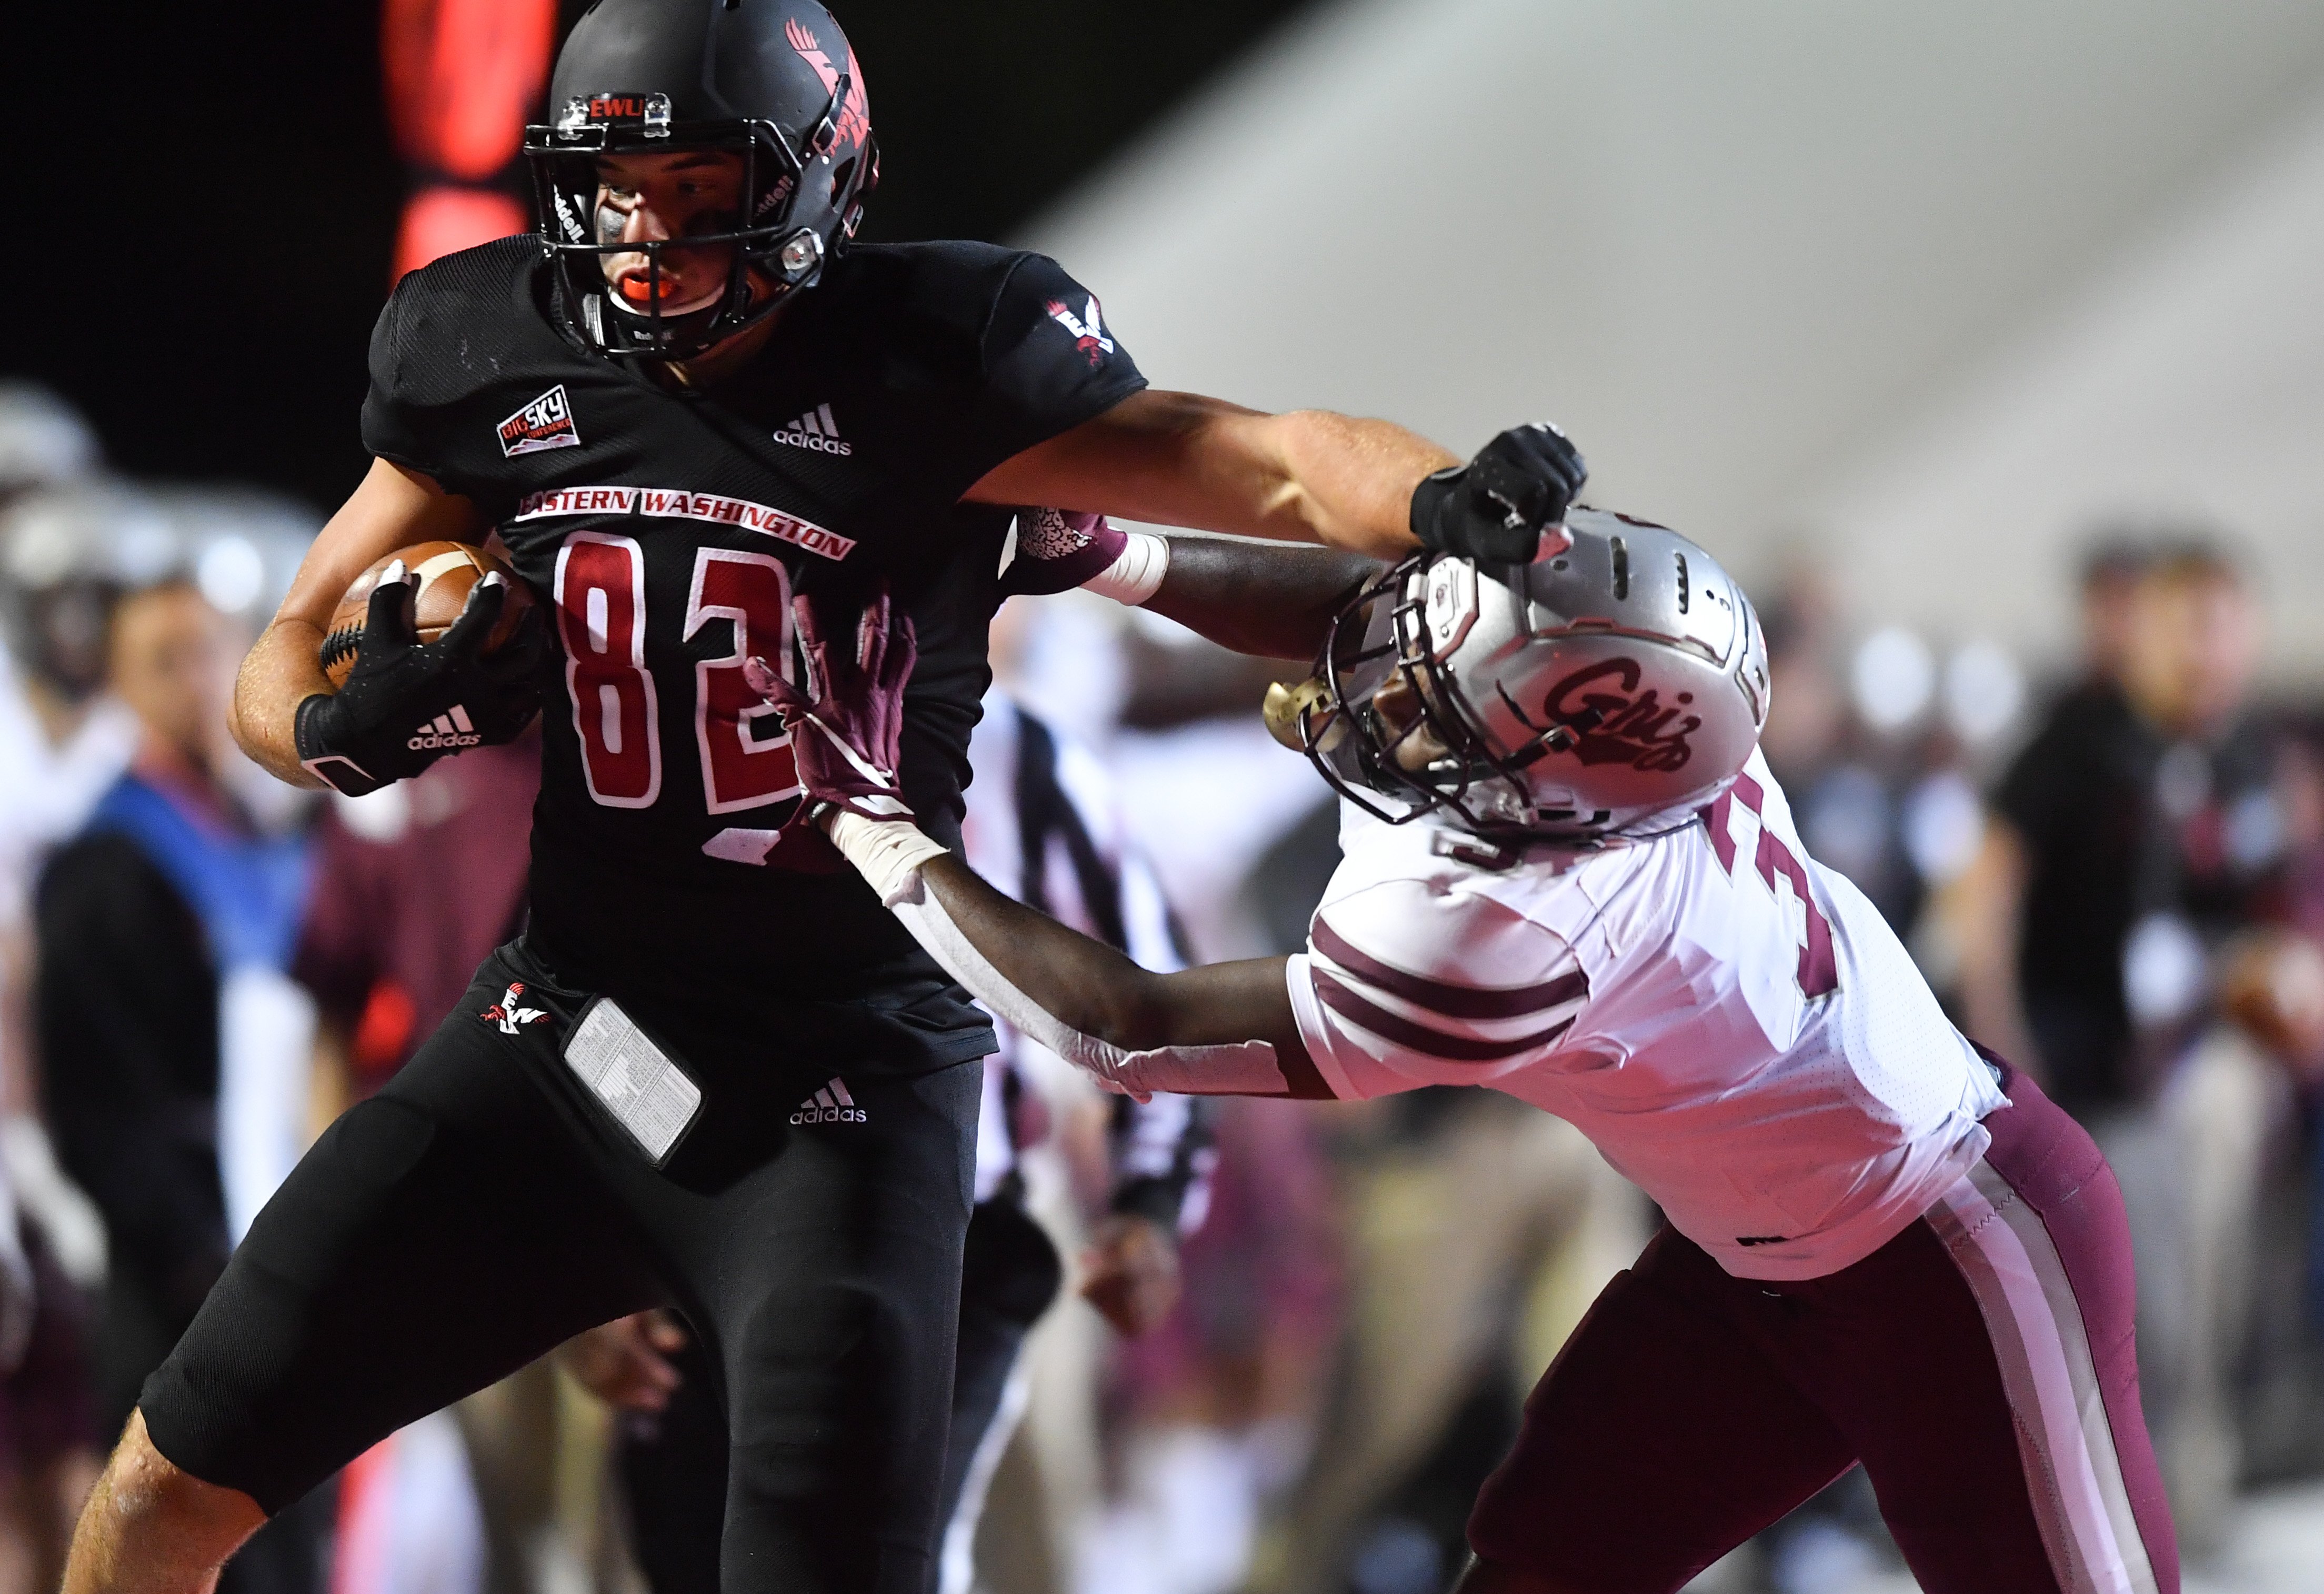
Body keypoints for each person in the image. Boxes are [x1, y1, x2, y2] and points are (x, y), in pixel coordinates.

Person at [57, 2, 1586, 1588]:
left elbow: (1257, 459)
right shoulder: (492, 342)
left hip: (842, 1087)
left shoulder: (946, 356)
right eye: (619, 187)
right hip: (570, 1028)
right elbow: (279, 654)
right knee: (165, 1484)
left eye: (703, 189)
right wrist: (335, 719)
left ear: (819, 183)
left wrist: (1431, 497)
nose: (650, 235)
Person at [760, 509, 2181, 1594]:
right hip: (1751, 1258)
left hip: (1950, 1243)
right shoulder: (1643, 734)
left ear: (1550, 794)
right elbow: (1364, 610)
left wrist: (872, 825)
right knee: (1543, 1559)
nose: (1386, 693)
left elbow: (1122, 1022)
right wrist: (1110, 551)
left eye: (1443, 703)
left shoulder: (1511, 928)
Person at [561, 681, 1213, 1594]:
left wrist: (1151, 1205)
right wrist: (599, 1248)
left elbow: (1162, 1002)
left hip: (948, 1237)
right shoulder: (671, 734)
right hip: (712, 1224)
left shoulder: (1030, 762)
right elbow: (560, 1001)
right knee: (693, 1555)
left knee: (880, 1564)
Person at [1948, 541, 2284, 1549]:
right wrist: (2001, 1042)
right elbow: (1987, 889)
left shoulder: (2241, 755)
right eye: (2189, 624)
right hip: (2078, 1071)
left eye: (2226, 628)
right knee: (2123, 1308)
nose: (2207, 652)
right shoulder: (2078, 740)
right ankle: (2111, 1517)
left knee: (2196, 1288)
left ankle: (2177, 1502)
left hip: (2179, 1069)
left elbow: (2249, 909)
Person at [33, 580, 317, 1593]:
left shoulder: (263, 840)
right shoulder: (108, 864)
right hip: (183, 1296)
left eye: (213, 655)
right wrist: (201, 1264)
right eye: (166, 661)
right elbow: (98, 1113)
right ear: (120, 686)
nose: (198, 682)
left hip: (281, 1264)